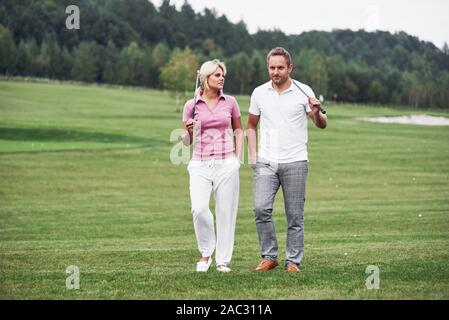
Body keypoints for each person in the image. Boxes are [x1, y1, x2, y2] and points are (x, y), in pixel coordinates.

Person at [246, 47, 327, 272]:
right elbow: (251, 125)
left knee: (294, 215)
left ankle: (293, 261)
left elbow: (321, 124)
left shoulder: (304, 92)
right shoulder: (259, 93)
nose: (275, 72)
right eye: (272, 67)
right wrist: (253, 156)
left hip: (296, 161)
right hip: (265, 162)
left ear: (289, 68)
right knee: (261, 208)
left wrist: (317, 112)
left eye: (280, 67)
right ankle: (269, 257)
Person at [182, 59, 244, 273]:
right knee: (199, 209)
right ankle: (206, 253)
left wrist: (237, 160)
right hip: (199, 163)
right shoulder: (191, 105)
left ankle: (222, 260)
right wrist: (189, 131)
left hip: (226, 163)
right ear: (205, 78)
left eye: (222, 75)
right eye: (217, 75)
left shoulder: (231, 102)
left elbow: (239, 131)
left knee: (226, 212)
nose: (221, 78)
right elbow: (185, 142)